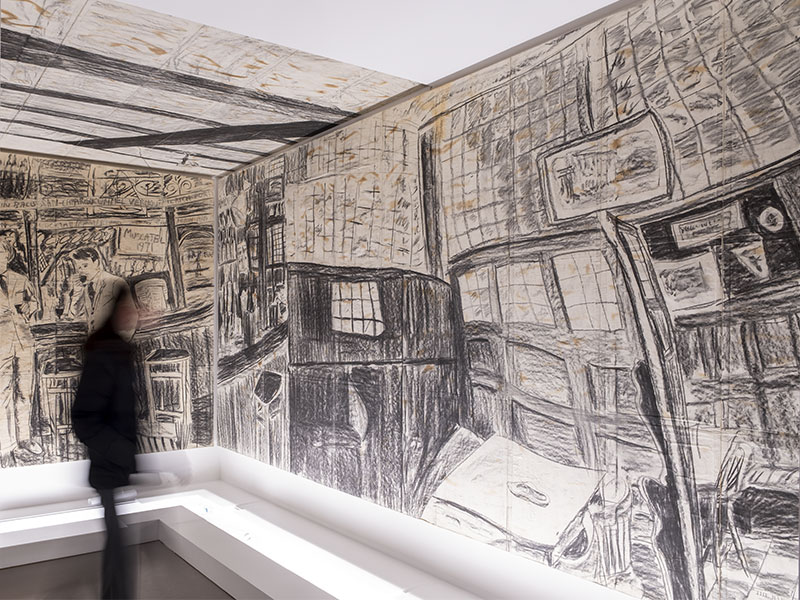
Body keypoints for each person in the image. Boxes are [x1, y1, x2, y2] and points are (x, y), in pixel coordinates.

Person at [72, 288, 139, 599]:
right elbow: (84, 420)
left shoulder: (117, 351)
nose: (134, 314)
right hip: (109, 465)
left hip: (114, 463)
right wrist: (123, 451)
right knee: (117, 541)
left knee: (117, 539)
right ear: (115, 311)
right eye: (128, 307)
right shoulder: (106, 354)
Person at [0, 237, 43, 466]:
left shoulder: (20, 279)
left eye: (1, 253)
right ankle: (6, 445)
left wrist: (29, 306)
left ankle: (24, 438)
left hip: (24, 342)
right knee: (2, 393)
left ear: (8, 255)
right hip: (1, 345)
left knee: (25, 392)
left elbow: (34, 302)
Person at [67, 248, 135, 340]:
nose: (81, 271)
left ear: (96, 263)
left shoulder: (116, 282)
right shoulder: (86, 287)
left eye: (85, 265)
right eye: (78, 268)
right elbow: (75, 315)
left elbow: (130, 318)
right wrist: (77, 292)